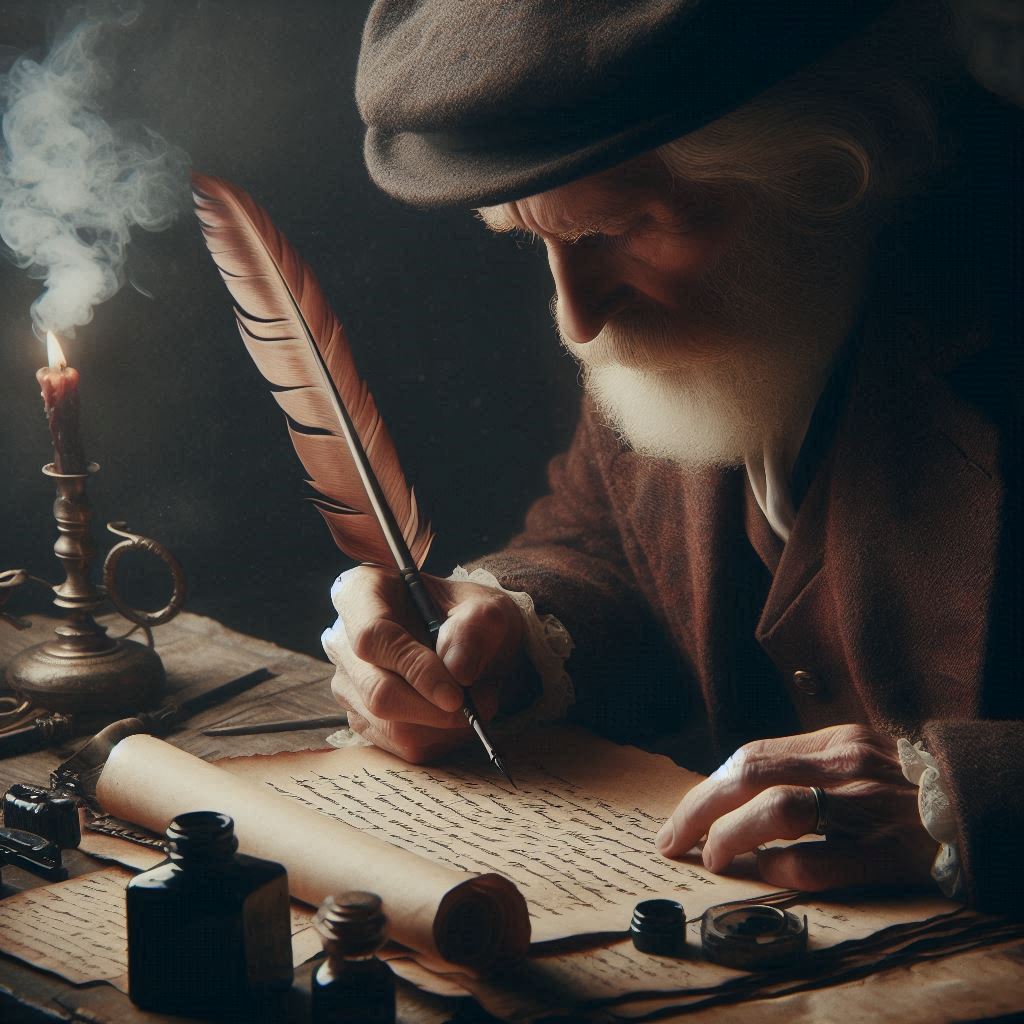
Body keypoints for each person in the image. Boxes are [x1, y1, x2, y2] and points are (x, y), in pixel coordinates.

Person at [322, 0, 1022, 914]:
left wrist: (977, 803)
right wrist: (509, 634)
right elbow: (610, 541)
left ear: (828, 161)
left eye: (614, 229)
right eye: (535, 239)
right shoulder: (729, 274)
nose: (576, 318)